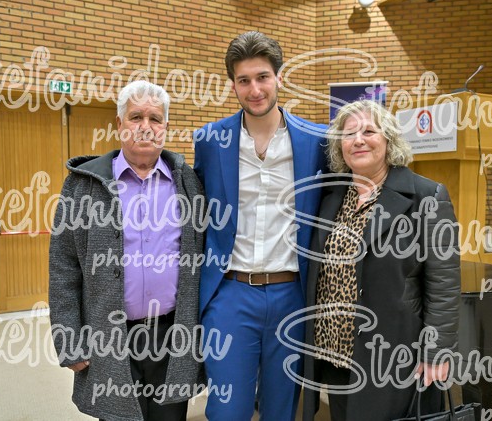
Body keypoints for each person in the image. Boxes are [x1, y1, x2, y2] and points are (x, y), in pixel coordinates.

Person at [49, 81, 204, 421]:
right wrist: (69, 339)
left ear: (165, 126)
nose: (145, 127)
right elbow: (63, 266)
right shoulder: (82, 186)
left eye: (155, 118)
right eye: (136, 117)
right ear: (119, 124)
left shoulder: (188, 183)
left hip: (171, 335)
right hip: (109, 337)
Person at [193, 31, 327, 421]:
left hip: (292, 294)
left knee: (281, 409)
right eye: (244, 80)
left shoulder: (316, 141)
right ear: (232, 84)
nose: (255, 90)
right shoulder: (210, 140)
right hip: (230, 293)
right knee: (227, 410)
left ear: (279, 77)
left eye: (263, 77)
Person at [302, 99, 460, 421]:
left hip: (392, 350)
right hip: (334, 351)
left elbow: (444, 282)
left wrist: (437, 349)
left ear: (388, 140)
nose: (358, 140)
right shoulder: (331, 196)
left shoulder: (427, 196)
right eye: (349, 134)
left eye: (369, 132)